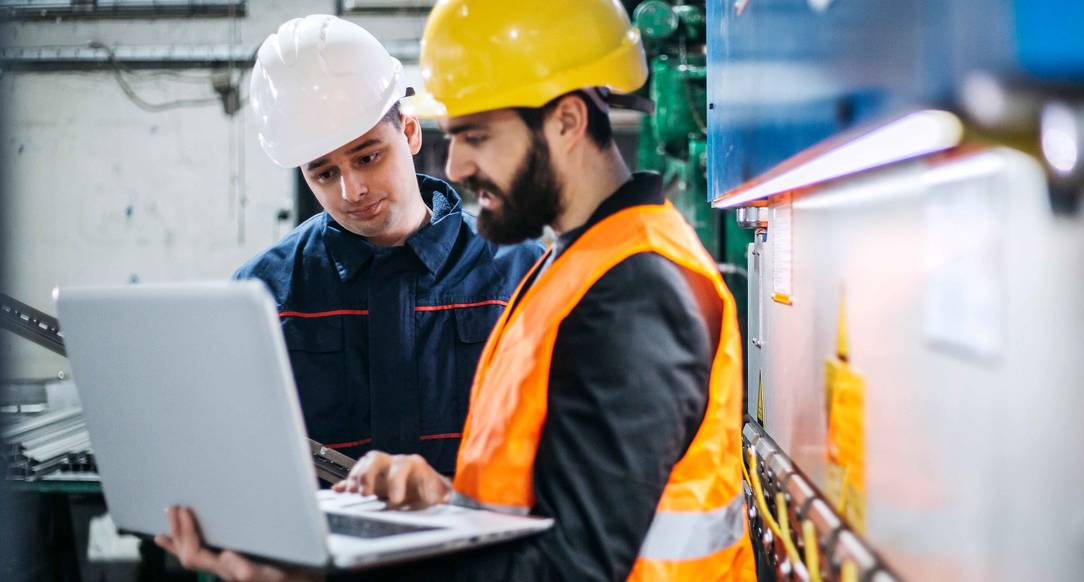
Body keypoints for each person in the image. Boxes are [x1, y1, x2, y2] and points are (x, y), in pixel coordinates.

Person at [157, 2, 755, 580]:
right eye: (323, 171)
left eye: (476, 136)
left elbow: (568, 568)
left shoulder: (634, 293)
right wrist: (446, 503)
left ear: (567, 121)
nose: (459, 165)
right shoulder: (572, 269)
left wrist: (324, 576)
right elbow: (536, 507)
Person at [232, 15, 541, 469]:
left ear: (410, 133)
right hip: (329, 541)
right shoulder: (262, 294)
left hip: (484, 537)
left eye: (368, 157)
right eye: (325, 173)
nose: (351, 190)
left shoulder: (519, 272)